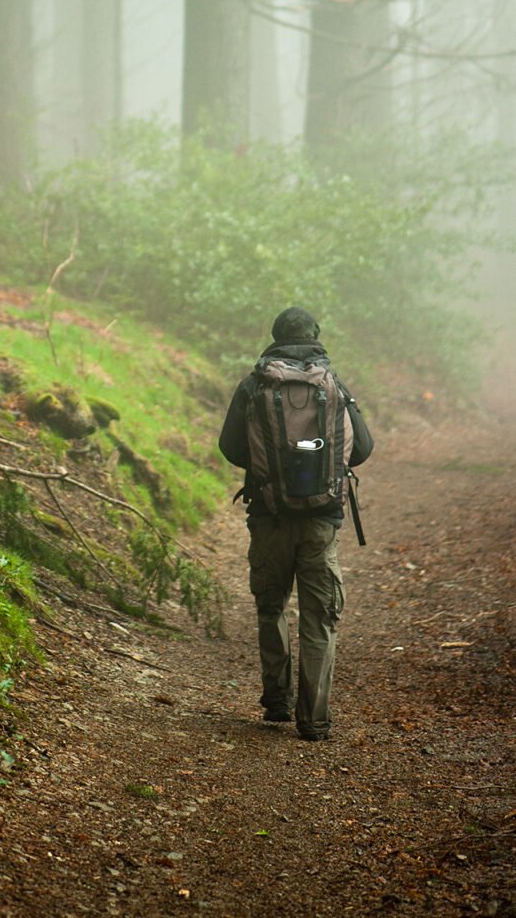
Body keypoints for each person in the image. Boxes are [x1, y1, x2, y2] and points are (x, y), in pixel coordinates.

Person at [218, 306, 373, 742]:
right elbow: (362, 447)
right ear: (316, 335)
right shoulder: (332, 384)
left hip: (268, 516)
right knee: (319, 616)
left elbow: (230, 446)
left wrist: (271, 465)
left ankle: (276, 700)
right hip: (321, 520)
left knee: (271, 607)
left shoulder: (254, 385)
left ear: (274, 336)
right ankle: (314, 719)